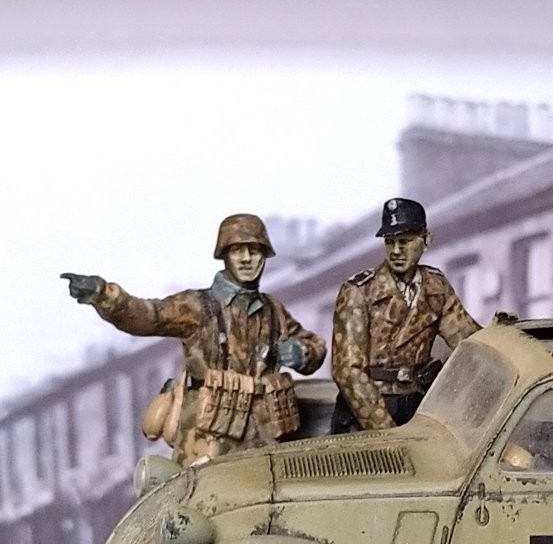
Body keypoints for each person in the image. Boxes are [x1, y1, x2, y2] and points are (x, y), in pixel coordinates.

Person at [61, 213, 326, 465]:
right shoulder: (197, 306)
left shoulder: (272, 310)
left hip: (264, 436)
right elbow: (148, 315)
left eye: (254, 251)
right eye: (237, 250)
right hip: (208, 436)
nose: (246, 259)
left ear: (264, 256)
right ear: (224, 255)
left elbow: (314, 346)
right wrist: (103, 294)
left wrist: (302, 352)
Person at [331, 197, 481, 432]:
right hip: (366, 413)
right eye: (389, 242)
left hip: (417, 406)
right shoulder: (359, 291)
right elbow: (348, 371)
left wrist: (504, 335)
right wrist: (386, 431)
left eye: (405, 241)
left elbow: (469, 339)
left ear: (426, 239)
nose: (396, 251)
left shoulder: (435, 286)